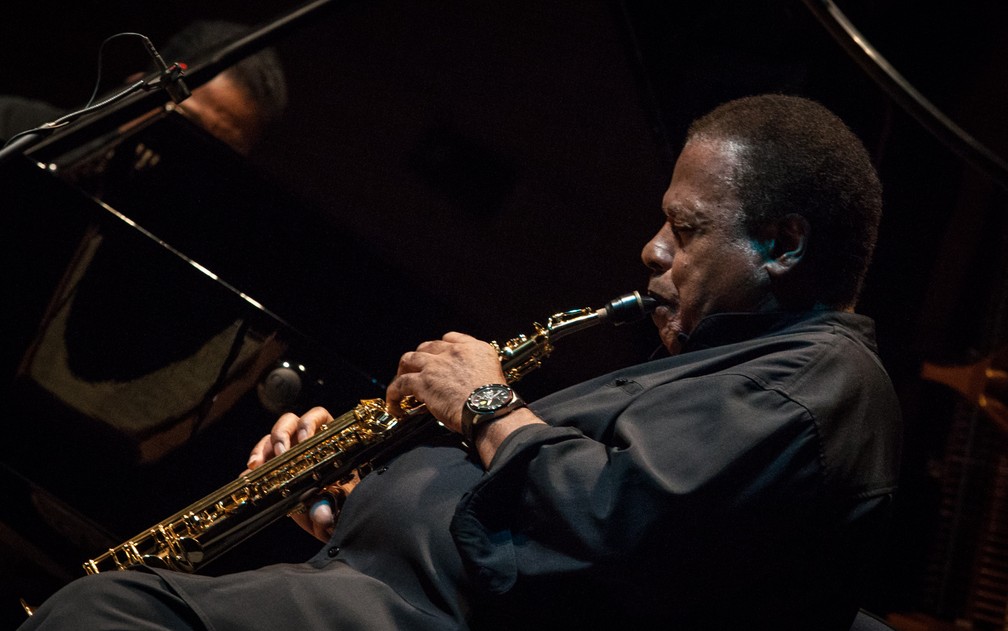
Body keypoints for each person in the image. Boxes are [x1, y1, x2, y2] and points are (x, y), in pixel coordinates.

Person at [17, 93, 902, 630]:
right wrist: (362, 503)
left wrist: (483, 403)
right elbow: (560, 532)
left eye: (687, 227)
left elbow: (619, 527)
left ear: (783, 244)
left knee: (108, 617)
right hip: (378, 593)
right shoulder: (737, 363)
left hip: (411, 619)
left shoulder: (815, 385)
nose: (653, 249)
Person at [0, 19, 288, 155]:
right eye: (185, 121)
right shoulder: (10, 124)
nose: (191, 150)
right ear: (137, 86)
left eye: (222, 148)